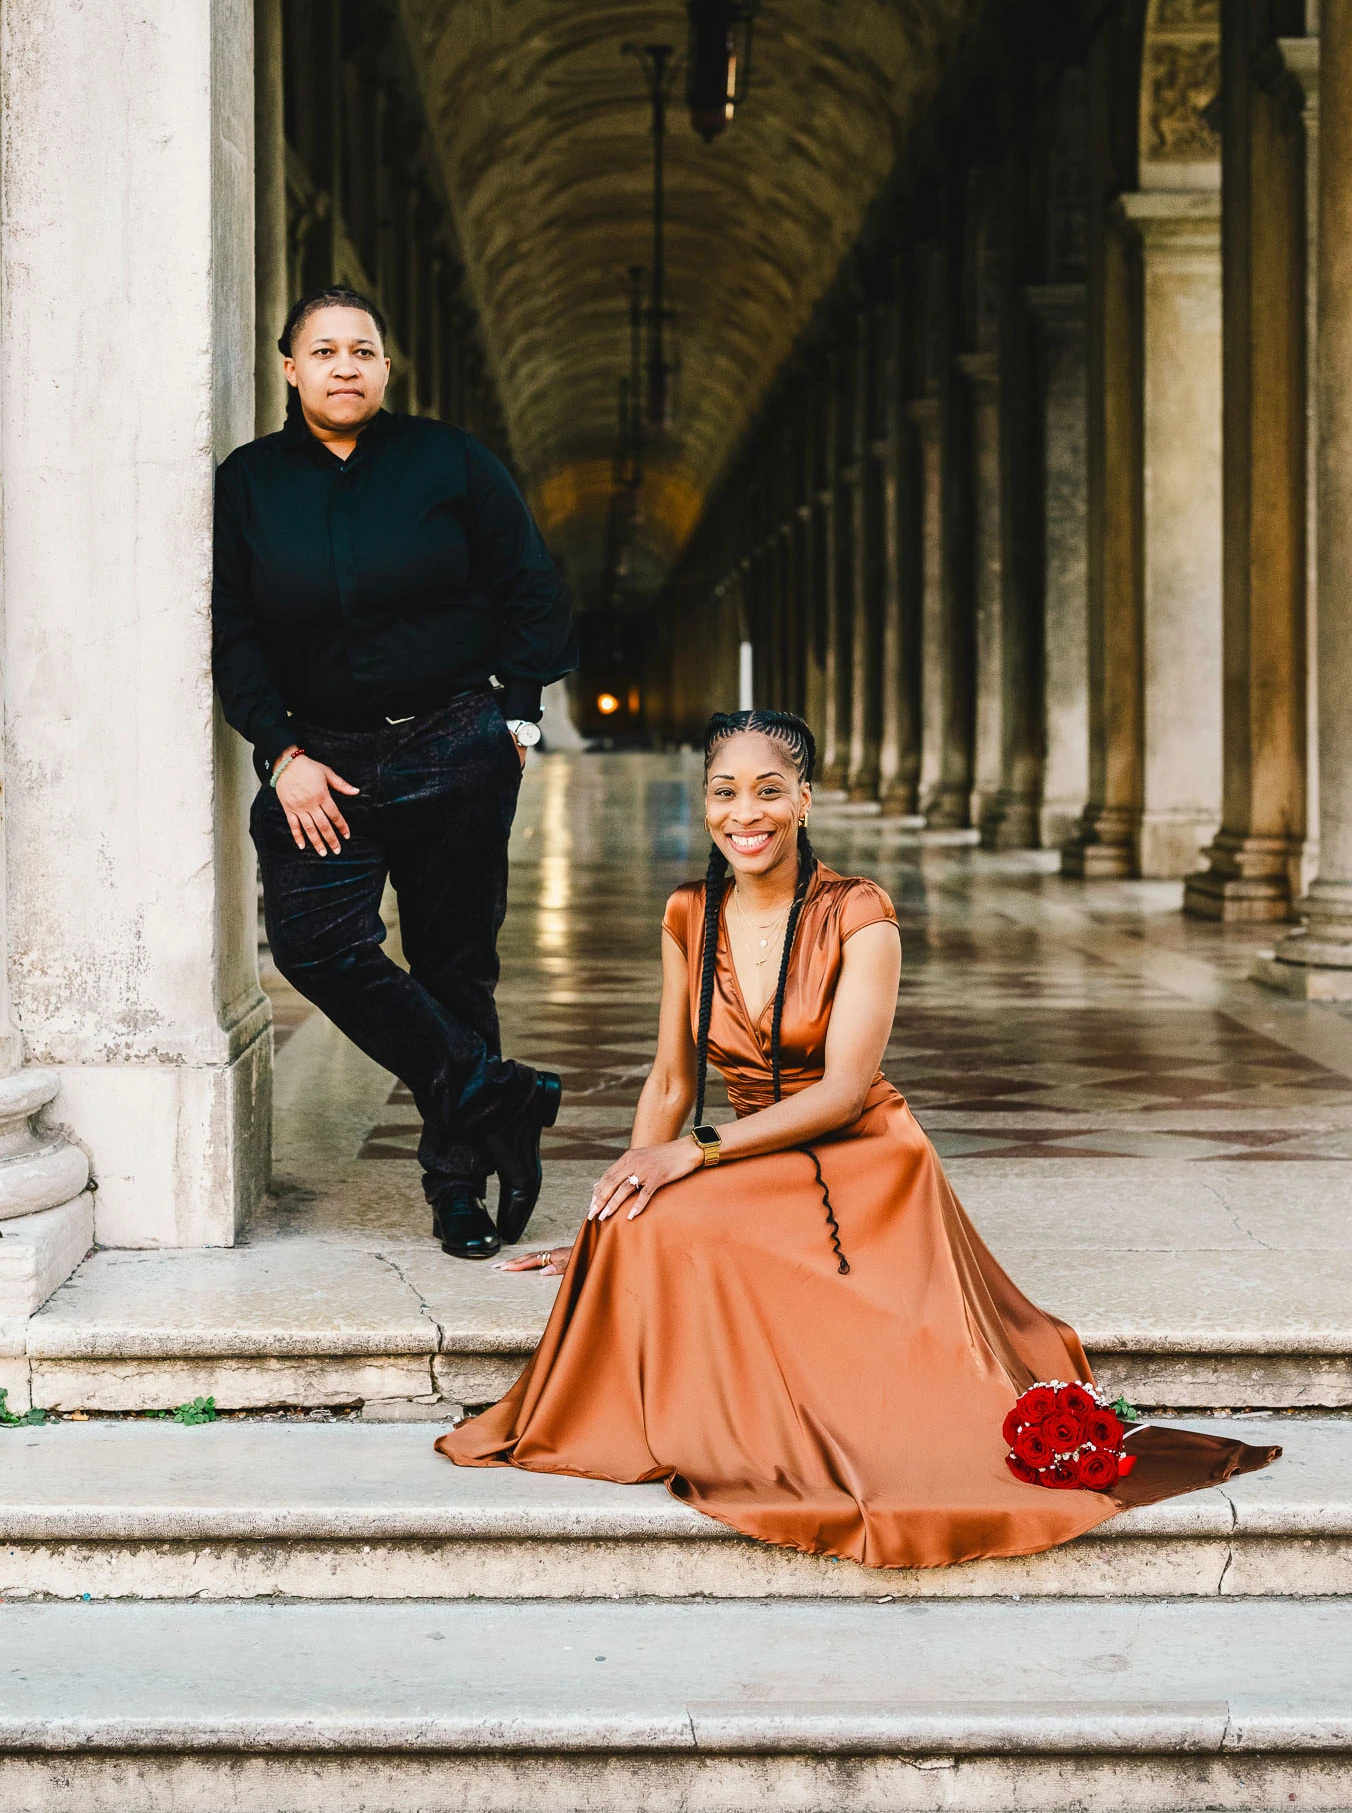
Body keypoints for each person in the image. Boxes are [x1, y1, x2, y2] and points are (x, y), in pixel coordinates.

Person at [440, 709, 1278, 1571]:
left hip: (863, 1155)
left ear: (803, 801)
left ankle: (798, 1426)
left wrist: (690, 1152)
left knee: (690, 1223)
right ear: (705, 802)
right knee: (645, 1225)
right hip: (749, 1146)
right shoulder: (689, 910)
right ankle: (712, 1417)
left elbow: (843, 1092)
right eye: (725, 792)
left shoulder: (859, 910)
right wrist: (610, 1214)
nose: (745, 813)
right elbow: (670, 1083)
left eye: (769, 791)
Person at [213, 285, 577, 1261]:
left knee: (455, 964)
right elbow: (234, 630)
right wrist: (279, 751)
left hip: (453, 740)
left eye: (362, 350)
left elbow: (528, 584)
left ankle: (456, 1187)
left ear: (385, 367)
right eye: (324, 350)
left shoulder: (448, 460)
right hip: (319, 759)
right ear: (290, 369)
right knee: (313, 946)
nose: (345, 365)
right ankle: (497, 1093)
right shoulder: (249, 484)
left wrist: (515, 718)